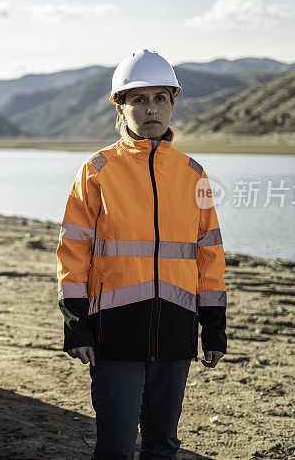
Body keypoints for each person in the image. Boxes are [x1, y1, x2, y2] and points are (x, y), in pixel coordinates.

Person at [56, 50, 228, 459]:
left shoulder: (193, 173)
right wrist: (75, 324)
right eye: (139, 100)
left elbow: (210, 253)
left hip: (176, 327)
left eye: (160, 99)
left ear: (172, 104)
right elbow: (73, 250)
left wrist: (214, 325)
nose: (151, 109)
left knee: (162, 444)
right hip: (114, 331)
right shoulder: (97, 169)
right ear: (121, 107)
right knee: (115, 446)